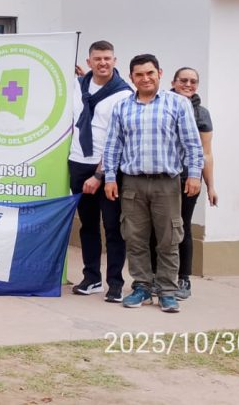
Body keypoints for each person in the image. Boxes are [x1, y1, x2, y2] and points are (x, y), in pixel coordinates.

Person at [102, 54, 204, 314]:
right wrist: (110, 178)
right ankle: (142, 287)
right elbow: (113, 147)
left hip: (167, 184)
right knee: (135, 238)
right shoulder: (122, 108)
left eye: (150, 73)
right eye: (139, 74)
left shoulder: (178, 104)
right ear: (131, 77)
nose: (145, 78)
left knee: (169, 238)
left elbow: (193, 144)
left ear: (159, 73)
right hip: (133, 184)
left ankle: (167, 291)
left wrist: (194, 175)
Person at [67, 40, 131, 303]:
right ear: (89, 61)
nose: (103, 63)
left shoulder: (124, 94)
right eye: (98, 58)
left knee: (113, 227)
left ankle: (114, 283)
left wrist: (99, 175)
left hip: (108, 168)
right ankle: (91, 278)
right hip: (78, 162)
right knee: (88, 226)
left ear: (115, 61)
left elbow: (121, 138)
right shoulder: (77, 85)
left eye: (108, 58)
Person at [149, 67, 218, 300]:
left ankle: (182, 278)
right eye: (183, 80)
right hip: (161, 178)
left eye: (193, 81)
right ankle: (155, 276)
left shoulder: (201, 114)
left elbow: (206, 153)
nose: (188, 84)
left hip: (188, 180)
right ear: (173, 82)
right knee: (156, 228)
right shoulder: (160, 105)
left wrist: (210, 185)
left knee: (182, 228)